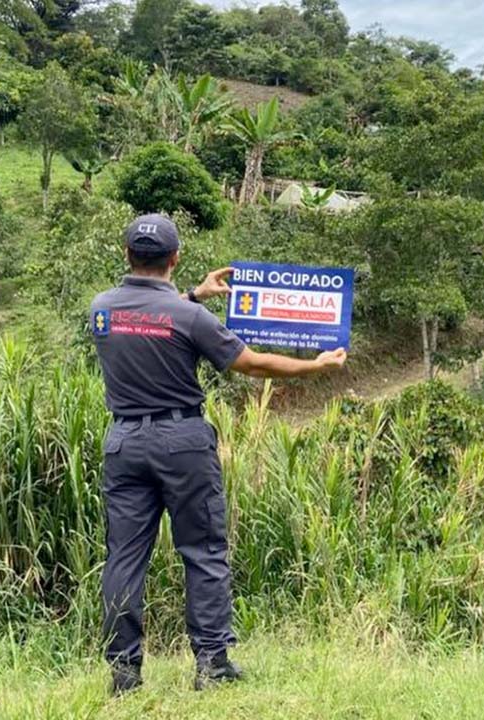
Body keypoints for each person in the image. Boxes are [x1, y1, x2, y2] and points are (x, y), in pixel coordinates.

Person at [90, 213, 347, 694]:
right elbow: (250, 363)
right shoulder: (189, 317)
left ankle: (124, 673)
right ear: (175, 257)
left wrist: (193, 294)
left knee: (123, 558)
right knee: (204, 551)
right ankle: (211, 664)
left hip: (123, 444)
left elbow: (147, 320)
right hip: (182, 442)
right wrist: (316, 366)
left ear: (127, 255)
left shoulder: (102, 309)